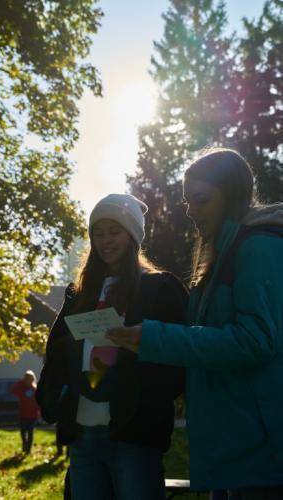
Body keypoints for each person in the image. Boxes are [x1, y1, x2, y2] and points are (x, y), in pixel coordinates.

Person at [106, 149, 283, 500]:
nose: (190, 211)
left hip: (261, 451)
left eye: (200, 200)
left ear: (232, 196)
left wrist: (156, 338)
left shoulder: (258, 248)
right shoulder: (223, 253)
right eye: (187, 202)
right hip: (233, 448)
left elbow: (255, 341)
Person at [36, 193, 188, 500]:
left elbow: (179, 357)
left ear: (132, 235)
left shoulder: (160, 288)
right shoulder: (78, 294)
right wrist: (55, 398)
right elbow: (56, 354)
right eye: (98, 233)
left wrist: (135, 388)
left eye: (114, 231)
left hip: (134, 436)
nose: (106, 241)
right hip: (83, 434)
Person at [12, 370, 40, 454]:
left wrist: (39, 412)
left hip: (33, 415)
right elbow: (13, 391)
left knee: (30, 433)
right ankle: (24, 444)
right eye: (27, 378)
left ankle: (28, 449)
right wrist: (21, 382)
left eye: (30, 379)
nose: (28, 380)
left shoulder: (35, 389)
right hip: (23, 414)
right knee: (23, 432)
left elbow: (38, 401)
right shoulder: (21, 388)